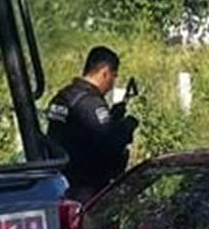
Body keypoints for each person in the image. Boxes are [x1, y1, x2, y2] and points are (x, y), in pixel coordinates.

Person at [45, 46, 139, 202]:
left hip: (62, 182)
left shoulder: (63, 96)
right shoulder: (90, 103)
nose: (112, 84)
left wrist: (113, 116)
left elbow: (80, 131)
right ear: (104, 72)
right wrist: (127, 126)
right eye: (113, 77)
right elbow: (110, 143)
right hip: (87, 189)